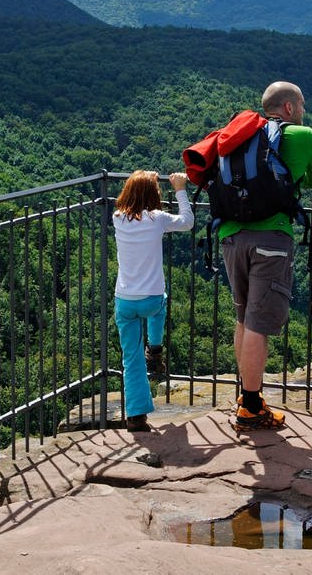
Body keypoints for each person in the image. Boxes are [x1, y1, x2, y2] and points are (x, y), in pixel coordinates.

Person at [219, 81, 312, 431]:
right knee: (259, 323)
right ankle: (251, 407)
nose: (303, 111)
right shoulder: (303, 135)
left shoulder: (240, 133)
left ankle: (246, 395)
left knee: (242, 318)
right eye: (301, 105)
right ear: (288, 108)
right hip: (271, 239)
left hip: (230, 236)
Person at [113, 170, 193, 432]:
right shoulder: (157, 219)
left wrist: (145, 179)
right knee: (161, 304)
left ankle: (135, 416)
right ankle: (155, 349)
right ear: (153, 195)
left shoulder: (117, 218)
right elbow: (187, 221)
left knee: (130, 359)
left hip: (124, 301)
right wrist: (179, 188)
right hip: (151, 299)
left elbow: (132, 209)